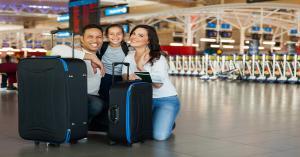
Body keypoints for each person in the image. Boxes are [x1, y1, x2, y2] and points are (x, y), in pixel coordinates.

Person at [122, 25, 180, 141]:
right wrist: (132, 76)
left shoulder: (158, 58)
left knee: (158, 136)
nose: (134, 37)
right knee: (135, 130)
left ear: (148, 40)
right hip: (143, 101)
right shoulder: (129, 56)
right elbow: (125, 76)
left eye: (140, 35)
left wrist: (140, 69)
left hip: (165, 100)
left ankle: (169, 122)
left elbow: (158, 84)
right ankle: (160, 120)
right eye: (133, 33)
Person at [51, 24, 105, 123]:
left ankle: (80, 127)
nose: (95, 40)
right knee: (96, 104)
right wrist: (90, 56)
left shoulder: (103, 54)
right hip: (74, 95)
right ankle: (74, 127)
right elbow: (55, 50)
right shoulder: (76, 53)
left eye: (99, 37)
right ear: (82, 39)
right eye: (90, 37)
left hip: (93, 96)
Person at [97, 24, 129, 103]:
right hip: (105, 77)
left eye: (118, 33)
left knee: (119, 99)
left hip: (121, 77)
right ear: (107, 36)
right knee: (105, 99)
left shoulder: (127, 47)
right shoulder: (102, 46)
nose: (115, 36)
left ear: (123, 35)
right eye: (111, 34)